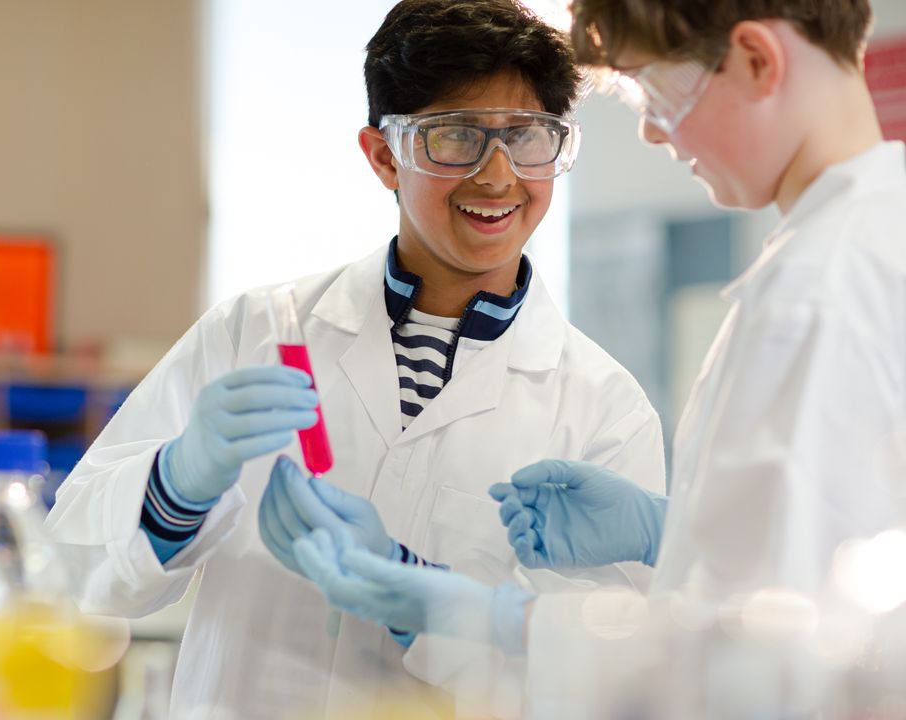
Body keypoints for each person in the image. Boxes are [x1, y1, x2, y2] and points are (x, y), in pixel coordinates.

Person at [44, 1, 665, 718]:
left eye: (528, 138)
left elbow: (610, 682)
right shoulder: (252, 331)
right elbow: (70, 577)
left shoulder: (602, 406)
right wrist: (176, 484)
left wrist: (421, 595)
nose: (498, 176)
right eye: (453, 137)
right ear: (382, 155)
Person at [293, 0, 906, 715]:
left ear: (757, 61)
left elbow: (764, 666)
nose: (651, 129)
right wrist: (672, 534)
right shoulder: (865, 246)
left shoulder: (817, 293)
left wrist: (489, 617)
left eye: (655, 91)